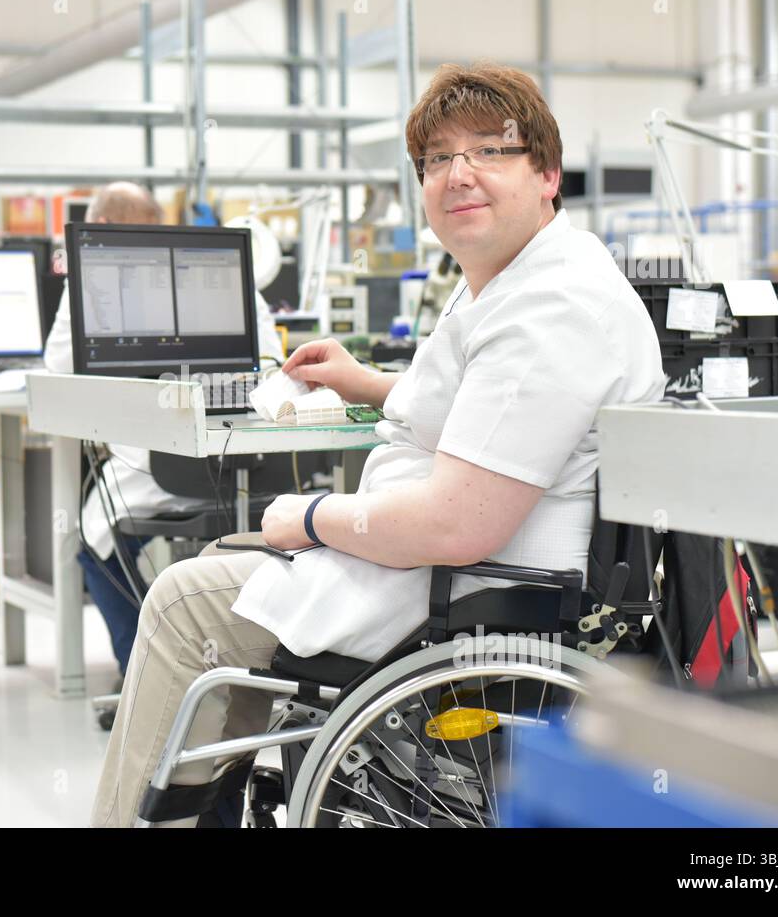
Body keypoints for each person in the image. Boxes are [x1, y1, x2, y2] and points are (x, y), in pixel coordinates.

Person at [91, 63, 667, 827]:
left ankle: (143, 814)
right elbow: (488, 417)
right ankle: (200, 803)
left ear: (547, 173)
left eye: (489, 151)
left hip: (466, 585)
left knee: (180, 599)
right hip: (453, 565)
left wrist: (315, 515)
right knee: (218, 569)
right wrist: (367, 381)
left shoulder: (550, 310)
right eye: (436, 160)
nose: (458, 174)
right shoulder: (525, 273)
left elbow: (457, 523)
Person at [41, 182, 285, 683]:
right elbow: (273, 362)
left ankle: (145, 677)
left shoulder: (96, 273)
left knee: (90, 540)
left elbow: (59, 368)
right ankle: (203, 664)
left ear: (101, 229)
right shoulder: (223, 264)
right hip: (261, 471)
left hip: (160, 471)